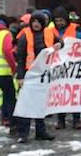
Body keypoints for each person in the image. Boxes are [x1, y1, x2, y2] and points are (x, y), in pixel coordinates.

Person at [14, 13, 56, 143]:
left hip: (43, 74)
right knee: (26, 105)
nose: (36, 24)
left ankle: (40, 131)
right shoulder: (25, 35)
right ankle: (23, 133)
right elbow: (20, 57)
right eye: (34, 21)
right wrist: (20, 76)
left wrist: (60, 44)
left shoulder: (49, 33)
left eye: (38, 22)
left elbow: (60, 42)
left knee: (40, 104)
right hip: (29, 74)